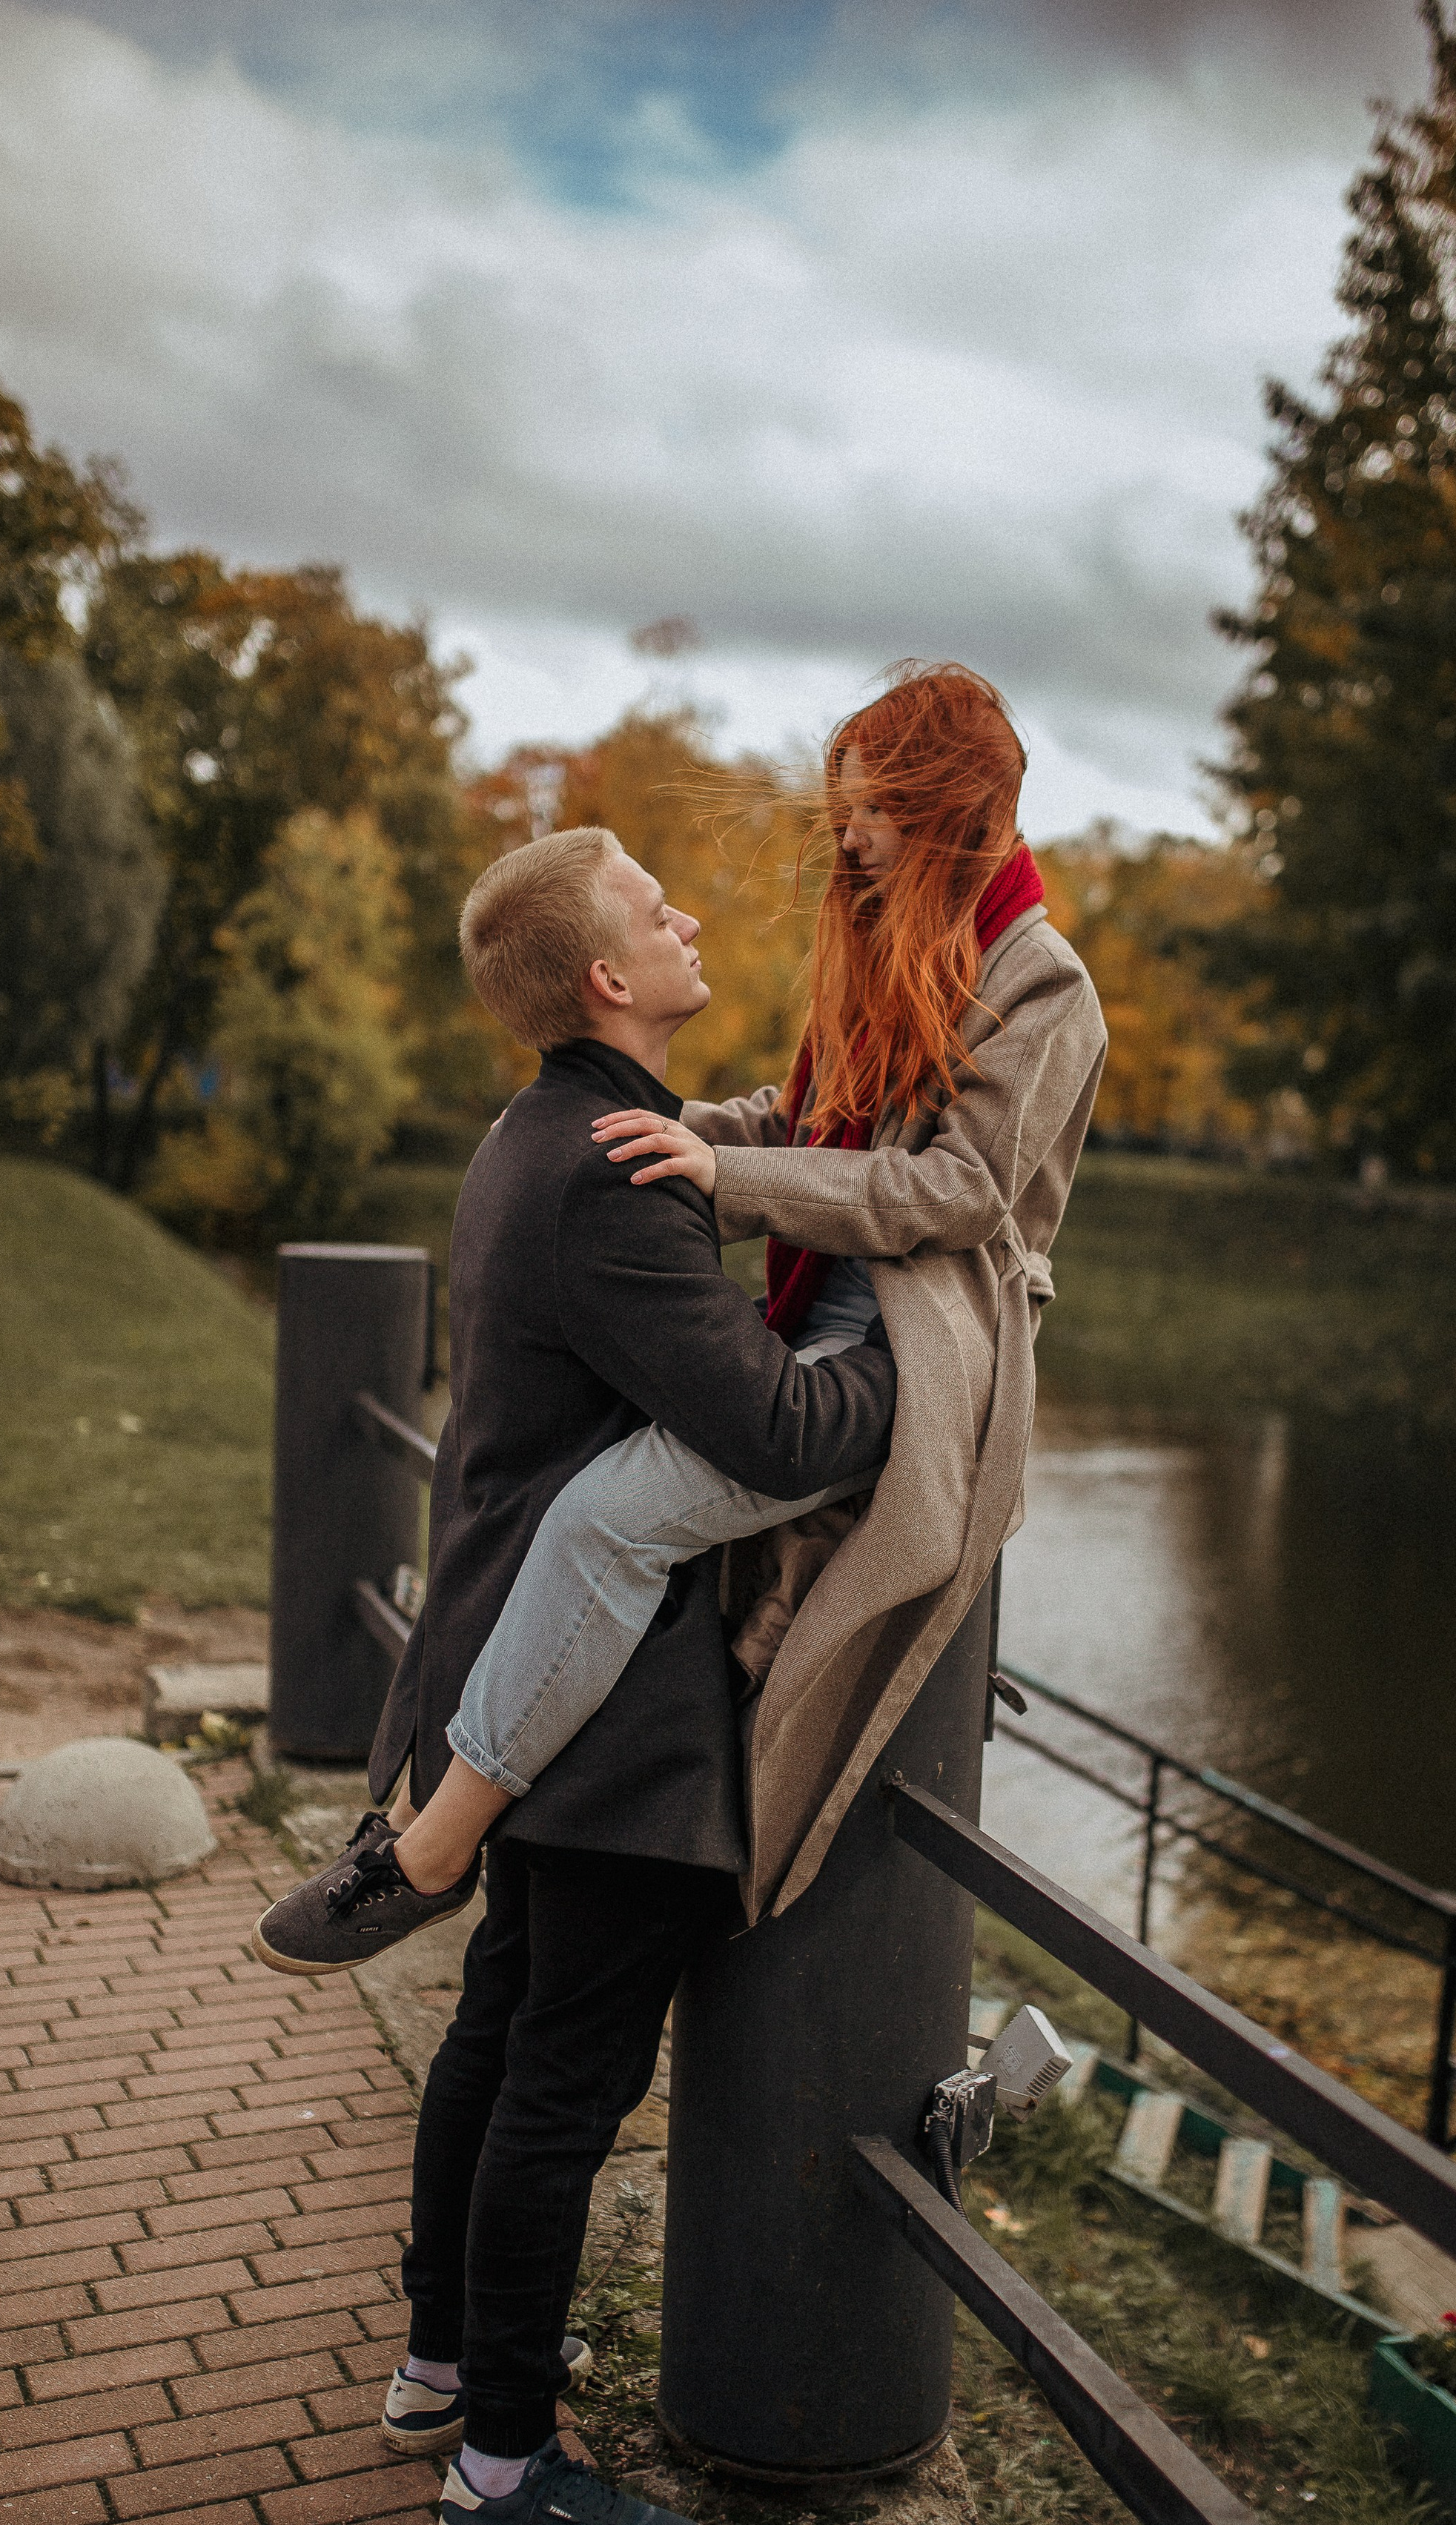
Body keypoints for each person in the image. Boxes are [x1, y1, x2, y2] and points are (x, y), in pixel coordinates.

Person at [256, 824, 900, 2525]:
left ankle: (445, 2364)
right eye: (649, 902)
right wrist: (895, 1382)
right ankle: (505, 2466)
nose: (685, 912)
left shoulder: (522, 1134)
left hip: (500, 1660)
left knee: (499, 2026)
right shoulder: (616, 1172)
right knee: (560, 2075)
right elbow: (768, 1433)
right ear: (606, 976)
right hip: (604, 1716)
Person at [256, 662, 1107, 1941]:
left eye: (873, 806)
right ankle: (465, 1827)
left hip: (925, 1354)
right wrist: (618, 1131)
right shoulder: (894, 944)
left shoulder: (1044, 981)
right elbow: (799, 1117)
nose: (849, 831)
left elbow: (963, 1191)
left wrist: (726, 1172)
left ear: (952, 806)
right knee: (599, 1514)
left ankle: (435, 1846)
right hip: (827, 1318)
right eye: (846, 802)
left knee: (607, 1517)